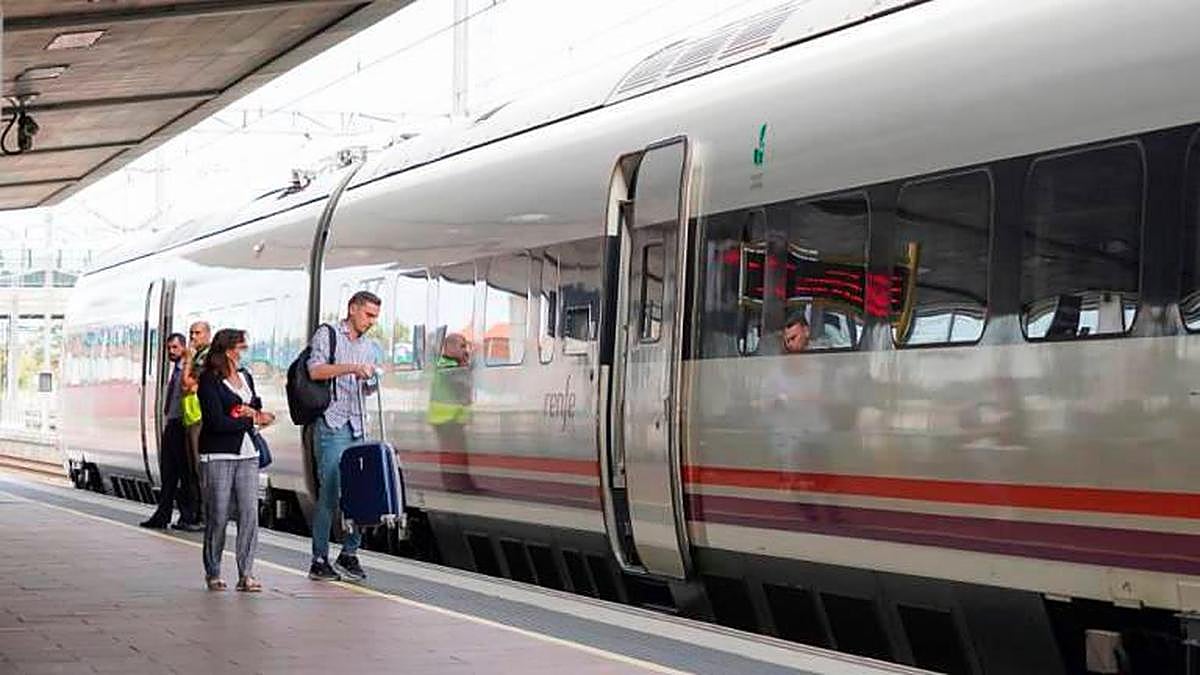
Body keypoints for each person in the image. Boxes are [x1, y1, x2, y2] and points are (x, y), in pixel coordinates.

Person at [306, 291, 382, 582]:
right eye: (368, 315)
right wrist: (352, 368)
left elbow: (367, 387)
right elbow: (315, 371)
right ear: (353, 309)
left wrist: (372, 379)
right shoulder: (328, 334)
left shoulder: (369, 346)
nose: (371, 322)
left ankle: (349, 553)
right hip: (332, 424)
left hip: (359, 425)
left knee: (359, 491)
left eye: (375, 317)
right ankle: (319, 558)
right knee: (329, 492)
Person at [197, 328, 275, 592]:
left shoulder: (246, 377)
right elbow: (215, 422)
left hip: (248, 454)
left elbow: (254, 409)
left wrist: (256, 415)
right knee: (218, 514)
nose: (244, 351)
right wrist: (249, 418)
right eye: (241, 347)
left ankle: (247, 573)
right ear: (229, 350)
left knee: (249, 514)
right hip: (218, 454)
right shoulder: (209, 380)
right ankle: (213, 571)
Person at [140, 334, 202, 531]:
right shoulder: (176, 369)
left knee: (186, 473)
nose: (171, 352)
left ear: (184, 348)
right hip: (173, 423)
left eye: (174, 348)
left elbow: (189, 389)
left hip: (185, 424)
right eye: (169, 348)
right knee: (169, 472)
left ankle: (188, 515)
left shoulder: (191, 367)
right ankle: (163, 514)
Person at [180, 321, 211, 517]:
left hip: (199, 418)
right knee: (193, 469)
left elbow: (188, 384)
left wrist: (188, 360)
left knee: (199, 470)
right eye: (191, 333)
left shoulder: (203, 357)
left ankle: (203, 515)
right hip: (192, 417)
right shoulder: (201, 354)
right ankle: (198, 513)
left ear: (208, 334)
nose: (193, 337)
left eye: (197, 333)